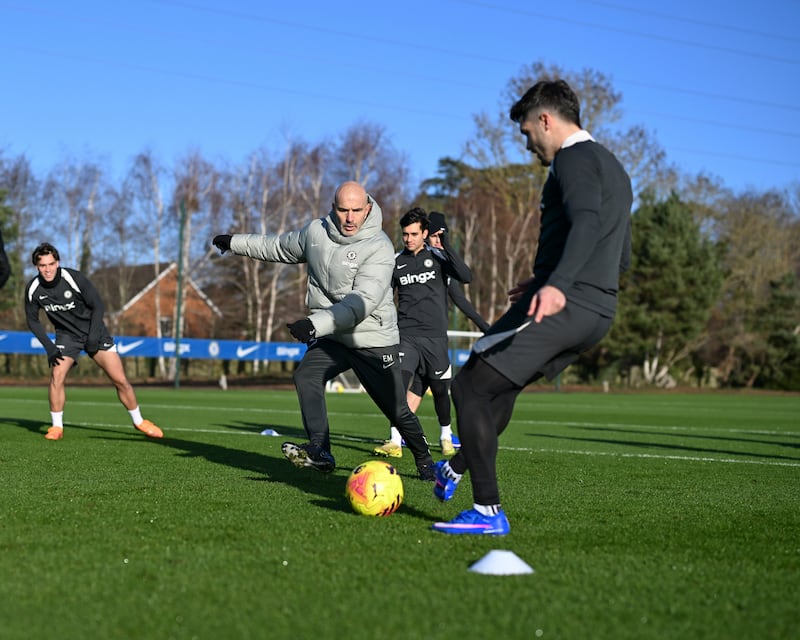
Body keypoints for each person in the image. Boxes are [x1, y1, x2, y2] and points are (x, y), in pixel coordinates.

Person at [431, 79, 633, 535]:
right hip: (596, 310)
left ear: (546, 119)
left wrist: (560, 284)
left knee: (468, 388)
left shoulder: (573, 159)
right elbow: (621, 254)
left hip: (568, 302)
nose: (528, 145)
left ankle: (486, 511)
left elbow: (585, 220)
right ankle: (456, 466)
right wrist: (549, 280)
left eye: (526, 133)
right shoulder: (614, 167)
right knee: (499, 388)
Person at [212, 181, 436, 480]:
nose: (350, 218)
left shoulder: (379, 247)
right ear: (333, 208)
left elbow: (361, 303)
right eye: (343, 209)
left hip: (371, 338)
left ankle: (425, 460)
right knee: (306, 375)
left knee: (397, 410)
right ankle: (319, 450)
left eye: (357, 210)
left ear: (368, 209)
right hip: (333, 336)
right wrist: (235, 242)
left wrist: (315, 324)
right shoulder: (315, 232)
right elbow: (278, 246)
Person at [373, 209, 487, 459]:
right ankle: (395, 439)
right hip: (406, 337)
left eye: (414, 234)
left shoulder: (438, 258)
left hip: (435, 339)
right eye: (405, 234)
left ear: (425, 234)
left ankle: (446, 434)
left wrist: (445, 244)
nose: (409, 238)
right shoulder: (396, 262)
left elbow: (466, 277)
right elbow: (382, 298)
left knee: (439, 391)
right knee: (397, 386)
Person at [24, 243, 164, 440]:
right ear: (36, 267)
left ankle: (140, 421)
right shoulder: (33, 289)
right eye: (42, 266)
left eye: (51, 264)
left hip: (94, 330)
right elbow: (32, 320)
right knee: (57, 375)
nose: (48, 269)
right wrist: (49, 347)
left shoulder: (73, 278)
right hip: (66, 336)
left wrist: (92, 337)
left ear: (58, 263)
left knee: (120, 380)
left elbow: (98, 305)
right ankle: (56, 427)